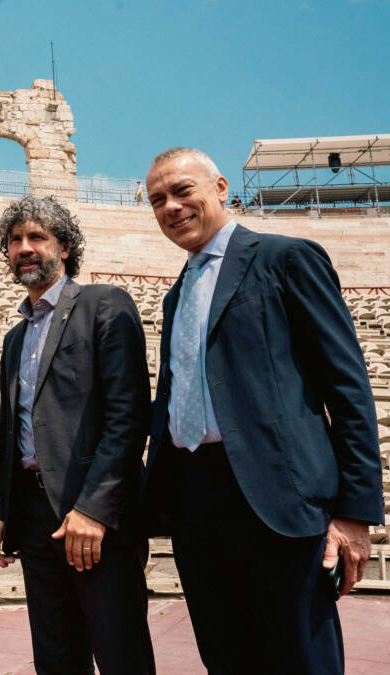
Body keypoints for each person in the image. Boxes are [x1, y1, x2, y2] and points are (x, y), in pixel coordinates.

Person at [143, 147, 384, 673]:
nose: (171, 208)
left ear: (221, 188)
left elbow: (346, 384)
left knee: (300, 656)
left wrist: (354, 512)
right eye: (157, 200)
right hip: (195, 498)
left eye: (183, 191)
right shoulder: (175, 294)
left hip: (279, 495)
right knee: (225, 654)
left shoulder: (287, 257)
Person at [0, 196, 155, 674]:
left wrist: (94, 510)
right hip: (36, 517)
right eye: (15, 240)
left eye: (36, 237)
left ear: (65, 245)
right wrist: (0, 512)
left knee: (121, 653)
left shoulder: (104, 305)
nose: (24, 248)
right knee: (56, 658)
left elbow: (129, 416)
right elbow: (12, 429)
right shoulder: (16, 338)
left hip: (97, 516)